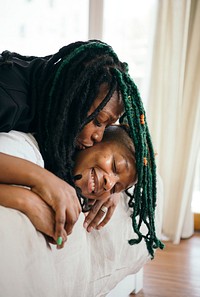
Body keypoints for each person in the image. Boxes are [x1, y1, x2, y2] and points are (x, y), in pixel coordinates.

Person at [0, 40, 163, 257]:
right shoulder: (10, 98)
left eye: (107, 127)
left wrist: (113, 188)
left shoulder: (56, 114)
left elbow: (121, 142)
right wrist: (28, 195)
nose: (98, 136)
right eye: (98, 121)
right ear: (74, 95)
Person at [0, 125, 137, 246]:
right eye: (114, 165)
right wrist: (26, 201)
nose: (109, 184)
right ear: (93, 141)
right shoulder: (23, 149)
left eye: (115, 188)